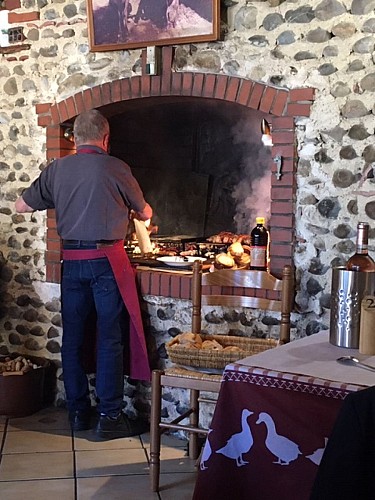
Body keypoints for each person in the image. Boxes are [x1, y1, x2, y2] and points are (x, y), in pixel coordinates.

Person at [15, 109, 153, 439]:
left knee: (73, 338)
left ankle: (78, 413)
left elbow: (21, 205)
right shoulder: (117, 167)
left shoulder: (57, 169)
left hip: (71, 262)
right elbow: (145, 211)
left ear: (74, 139)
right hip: (107, 262)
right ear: (106, 139)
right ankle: (109, 417)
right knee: (109, 338)